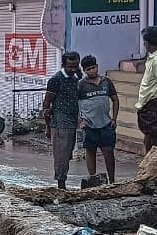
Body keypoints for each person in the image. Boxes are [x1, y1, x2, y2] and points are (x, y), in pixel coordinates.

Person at [42, 51, 82, 190]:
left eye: (75, 66)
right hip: (60, 121)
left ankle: (62, 181)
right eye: (70, 66)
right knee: (61, 155)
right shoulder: (56, 80)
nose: (73, 69)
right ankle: (61, 184)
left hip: (73, 120)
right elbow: (46, 104)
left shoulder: (78, 77)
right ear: (63, 65)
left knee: (68, 153)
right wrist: (47, 126)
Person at [77, 55, 119, 185]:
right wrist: (80, 121)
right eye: (88, 69)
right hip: (89, 125)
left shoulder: (106, 82)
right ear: (84, 71)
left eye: (93, 68)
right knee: (90, 151)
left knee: (108, 152)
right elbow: (74, 104)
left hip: (106, 124)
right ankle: (93, 179)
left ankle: (112, 181)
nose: (92, 71)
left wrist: (114, 118)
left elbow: (115, 99)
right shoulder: (81, 85)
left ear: (97, 67)